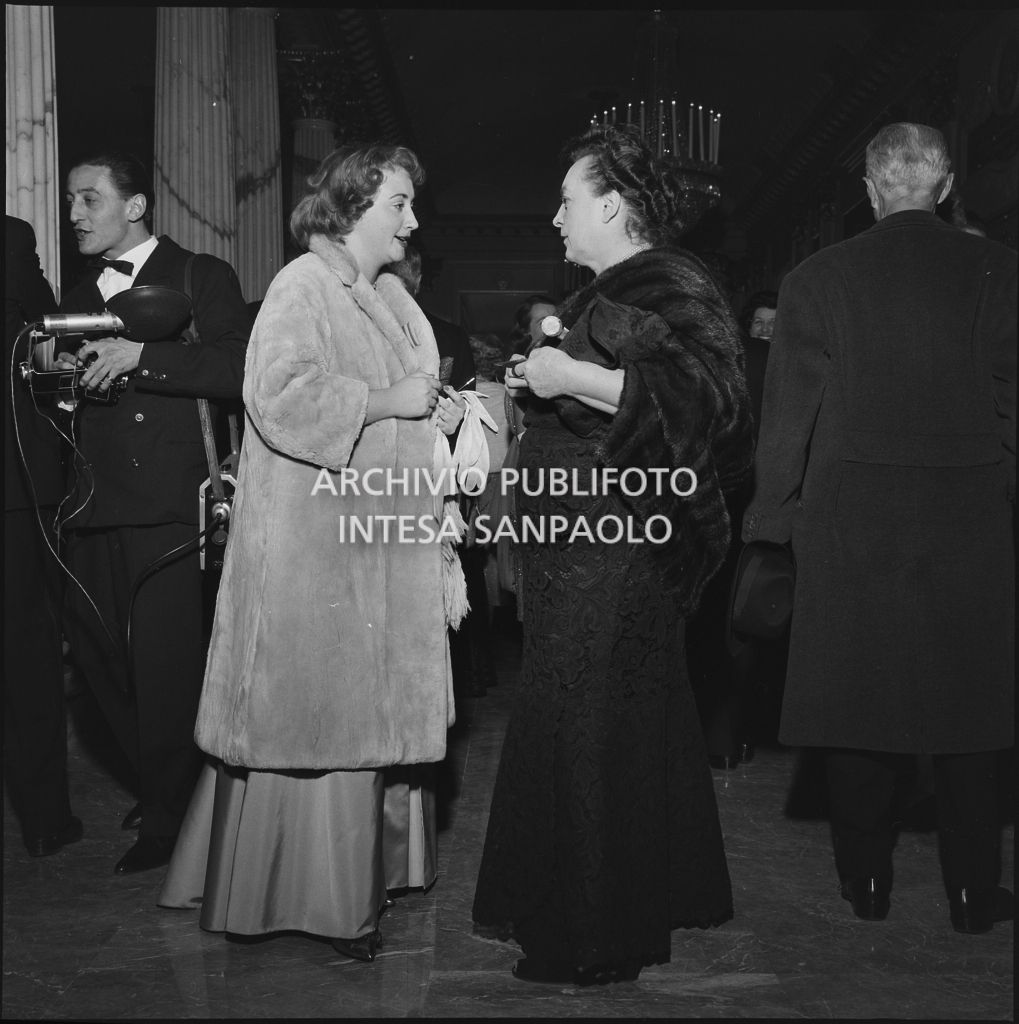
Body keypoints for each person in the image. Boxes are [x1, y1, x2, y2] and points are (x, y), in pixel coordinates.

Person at [159, 142, 464, 963]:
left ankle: (372, 877)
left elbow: (400, 404)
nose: (411, 218)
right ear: (352, 204)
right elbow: (278, 397)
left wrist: (427, 416)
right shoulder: (304, 284)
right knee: (321, 724)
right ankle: (324, 904)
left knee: (360, 718)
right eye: (397, 202)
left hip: (376, 541)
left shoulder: (387, 297)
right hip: (317, 551)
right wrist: (384, 400)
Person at [472, 124, 753, 985]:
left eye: (566, 199)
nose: (555, 217)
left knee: (589, 718)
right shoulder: (611, 291)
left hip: (617, 546)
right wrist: (542, 383)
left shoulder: (668, 281)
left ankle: (592, 940)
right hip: (581, 547)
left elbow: (711, 407)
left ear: (607, 203)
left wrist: (571, 380)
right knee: (604, 715)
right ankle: (619, 913)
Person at [743, 123, 1016, 934]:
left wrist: (773, 519)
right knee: (972, 707)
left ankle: (865, 882)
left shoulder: (817, 276)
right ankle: (972, 892)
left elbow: (788, 416)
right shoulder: (1000, 270)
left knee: (857, 702)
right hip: (967, 513)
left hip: (849, 517)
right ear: (941, 186)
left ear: (869, 190)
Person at [54, 152, 250, 874]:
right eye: (72, 199)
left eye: (89, 198)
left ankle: (171, 815)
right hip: (90, 502)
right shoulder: (76, 290)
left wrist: (144, 356)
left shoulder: (200, 275)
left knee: (165, 667)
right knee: (101, 662)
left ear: (133, 207)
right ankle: (160, 780)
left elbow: (237, 369)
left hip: (171, 504)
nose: (74, 212)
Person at [4, 216, 80, 857]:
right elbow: (47, 340)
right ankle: (44, 819)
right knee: (26, 654)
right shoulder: (9, 239)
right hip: (11, 493)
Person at [687, 288, 784, 769]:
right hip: (765, 504)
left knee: (709, 623)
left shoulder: (700, 358)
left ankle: (713, 735)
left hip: (704, 503)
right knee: (754, 624)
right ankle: (740, 732)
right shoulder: (778, 359)